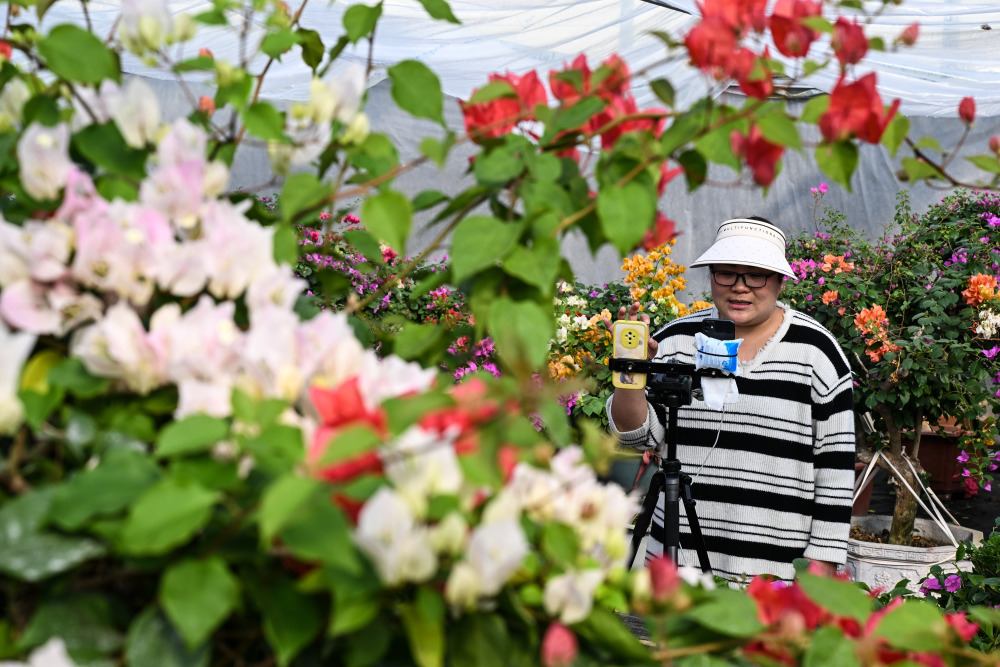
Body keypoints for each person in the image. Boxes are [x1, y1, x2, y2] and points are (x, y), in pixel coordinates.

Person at [605, 216, 855, 584]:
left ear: (779, 280)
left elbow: (836, 468)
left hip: (775, 575)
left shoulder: (817, 353)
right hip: (680, 563)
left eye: (756, 275)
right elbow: (636, 437)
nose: (740, 288)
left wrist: (822, 568)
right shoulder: (674, 342)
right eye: (726, 273)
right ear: (711, 276)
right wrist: (630, 374)